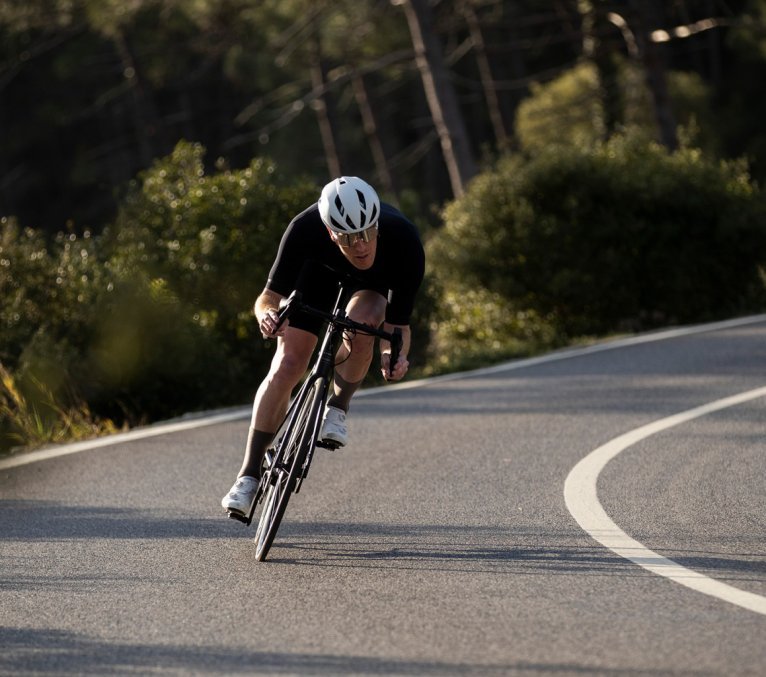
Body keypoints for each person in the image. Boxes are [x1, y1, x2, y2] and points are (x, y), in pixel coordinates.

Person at [222, 176, 425, 516]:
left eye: (366, 234)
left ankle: (338, 407)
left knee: (365, 322)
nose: (360, 246)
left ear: (376, 224)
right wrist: (267, 316)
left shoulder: (404, 240)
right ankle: (248, 475)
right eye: (347, 237)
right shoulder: (304, 228)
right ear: (330, 232)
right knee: (288, 365)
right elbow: (266, 299)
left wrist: (394, 358)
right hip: (316, 277)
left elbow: (398, 327)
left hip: (371, 288)